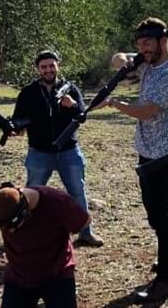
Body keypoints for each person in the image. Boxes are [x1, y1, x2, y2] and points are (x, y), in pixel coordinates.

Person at [103, 17, 168, 304]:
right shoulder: (148, 64)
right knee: (157, 210)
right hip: (146, 150)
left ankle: (164, 280)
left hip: (162, 155)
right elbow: (117, 59)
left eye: (148, 43)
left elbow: (146, 111)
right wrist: (127, 59)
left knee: (159, 216)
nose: (143, 49)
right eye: (139, 44)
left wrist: (114, 103)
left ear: (163, 41)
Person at [11, 50, 103, 248]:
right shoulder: (28, 92)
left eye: (51, 66)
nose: (48, 70)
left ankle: (85, 233)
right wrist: (17, 127)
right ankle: (24, 233)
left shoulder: (70, 88)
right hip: (39, 152)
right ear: (38, 69)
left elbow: (83, 115)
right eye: (44, 67)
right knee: (30, 194)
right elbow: (18, 117)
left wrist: (73, 105)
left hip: (69, 150)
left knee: (77, 192)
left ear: (58, 66)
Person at [0, 182, 91, 308]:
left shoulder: (56, 201)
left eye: (13, 226)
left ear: (25, 210)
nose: (10, 231)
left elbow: (83, 221)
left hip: (56, 274)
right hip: (19, 277)